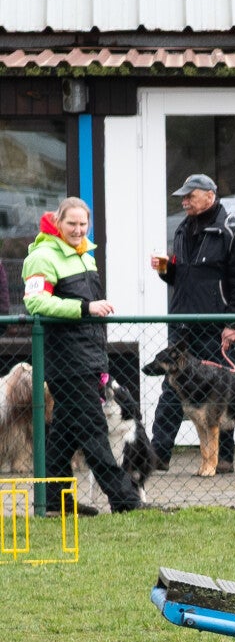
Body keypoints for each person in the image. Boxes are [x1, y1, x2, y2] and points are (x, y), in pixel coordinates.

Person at [21, 198, 142, 514]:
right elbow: (35, 303)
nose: (78, 230)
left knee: (64, 435)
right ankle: (125, 500)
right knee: (93, 430)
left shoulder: (85, 256)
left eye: (83, 224)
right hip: (65, 360)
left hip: (90, 356)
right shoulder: (42, 257)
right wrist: (85, 308)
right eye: (71, 223)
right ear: (57, 222)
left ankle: (53, 500)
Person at [150, 174, 235, 473]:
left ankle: (224, 459)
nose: (184, 201)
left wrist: (233, 324)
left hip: (215, 327)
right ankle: (158, 455)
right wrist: (164, 269)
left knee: (220, 392)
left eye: (190, 196)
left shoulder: (232, 229)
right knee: (171, 388)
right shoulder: (183, 228)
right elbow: (182, 277)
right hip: (182, 325)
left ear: (210, 195)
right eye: (182, 197)